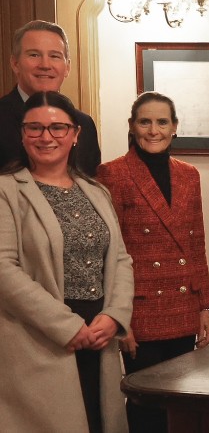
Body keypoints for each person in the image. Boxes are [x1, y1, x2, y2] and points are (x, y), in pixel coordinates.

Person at [0, 92, 132, 432]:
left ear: (75, 135)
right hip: (40, 339)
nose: (47, 137)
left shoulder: (96, 191)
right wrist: (66, 326)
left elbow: (120, 258)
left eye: (58, 127)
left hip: (99, 335)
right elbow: (3, 269)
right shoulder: (6, 191)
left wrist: (115, 316)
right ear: (22, 134)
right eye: (35, 128)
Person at [97, 92, 209, 432]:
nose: (154, 130)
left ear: (175, 127)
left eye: (162, 122)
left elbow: (196, 244)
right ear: (133, 128)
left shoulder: (188, 174)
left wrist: (206, 306)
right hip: (140, 310)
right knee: (146, 405)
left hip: (182, 307)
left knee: (181, 402)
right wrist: (120, 318)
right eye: (145, 121)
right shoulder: (112, 174)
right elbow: (109, 252)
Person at [2, 20, 101, 175]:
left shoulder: (84, 124)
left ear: (67, 67)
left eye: (55, 56)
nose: (45, 65)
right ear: (15, 63)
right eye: (34, 55)